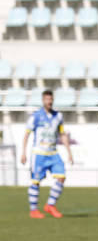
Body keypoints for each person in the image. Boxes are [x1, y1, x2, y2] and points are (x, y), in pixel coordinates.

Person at [20, 90, 74, 219]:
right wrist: (23, 152)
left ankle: (50, 205)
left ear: (53, 100)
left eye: (51, 99)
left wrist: (69, 152)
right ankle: (33, 210)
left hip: (53, 152)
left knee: (61, 177)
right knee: (35, 181)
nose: (49, 102)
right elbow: (27, 134)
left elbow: (62, 134)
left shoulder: (58, 116)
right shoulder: (36, 116)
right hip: (39, 153)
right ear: (43, 100)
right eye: (46, 99)